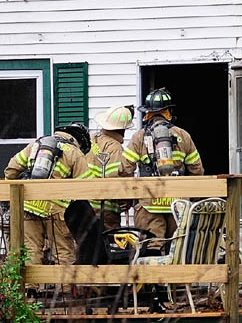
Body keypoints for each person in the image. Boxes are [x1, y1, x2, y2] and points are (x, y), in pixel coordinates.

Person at [121, 88, 203, 252]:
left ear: (147, 115)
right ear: (168, 112)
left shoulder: (139, 137)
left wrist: (130, 197)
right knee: (177, 250)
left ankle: (154, 276)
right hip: (177, 205)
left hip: (148, 205)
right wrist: (191, 200)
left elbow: (125, 169)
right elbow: (197, 171)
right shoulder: (183, 136)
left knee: (152, 248)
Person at [4, 123, 93, 267]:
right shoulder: (74, 153)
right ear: (79, 140)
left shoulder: (35, 145)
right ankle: (64, 288)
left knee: (30, 250)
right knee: (62, 252)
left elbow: (11, 170)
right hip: (57, 211)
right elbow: (86, 187)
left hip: (28, 206)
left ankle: (29, 289)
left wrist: (12, 197)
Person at [87, 104, 134, 231]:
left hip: (85, 205)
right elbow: (114, 178)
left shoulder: (90, 141)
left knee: (87, 245)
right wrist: (125, 199)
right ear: (123, 129)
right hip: (106, 210)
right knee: (111, 245)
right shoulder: (115, 147)